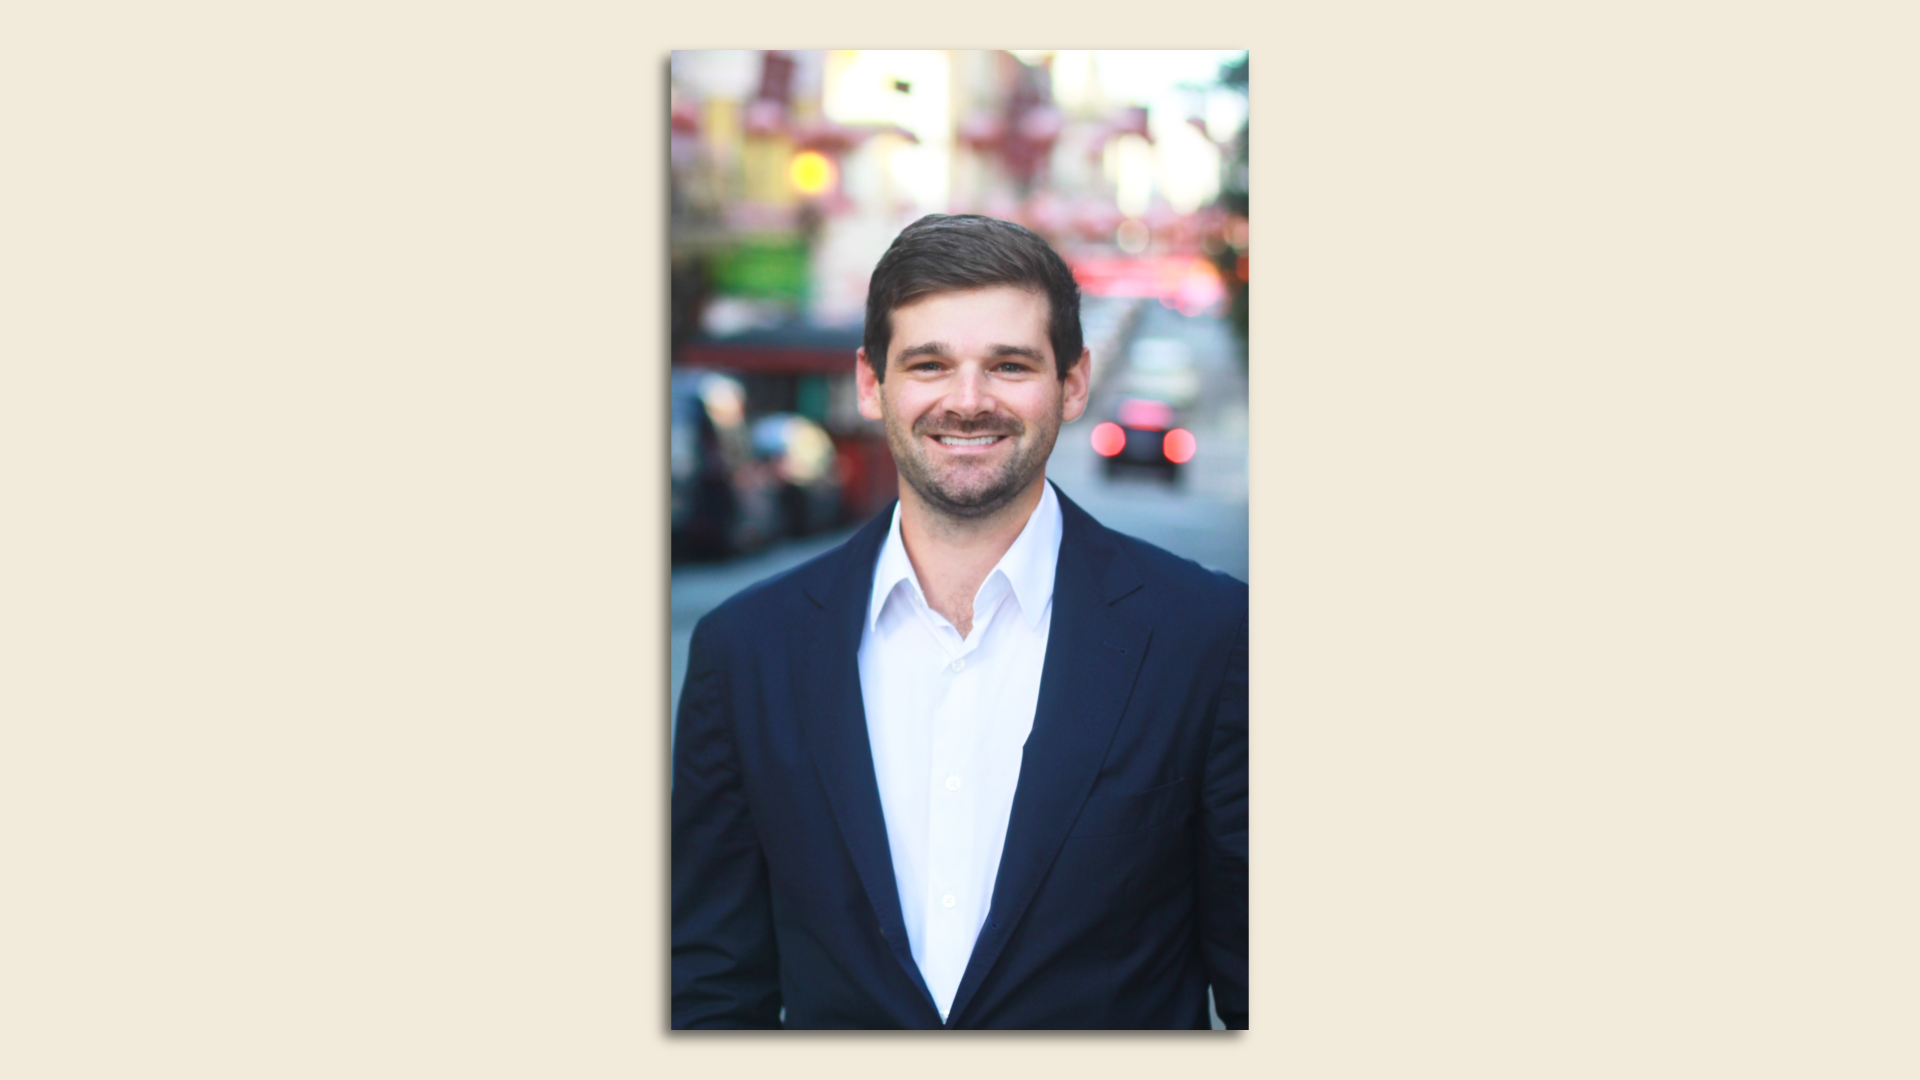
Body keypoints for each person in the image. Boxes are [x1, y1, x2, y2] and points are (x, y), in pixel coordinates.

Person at [671, 214, 1248, 1029]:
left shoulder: (1209, 634)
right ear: (873, 385)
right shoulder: (745, 651)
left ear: (1074, 383)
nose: (968, 401)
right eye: (929, 364)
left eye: (1009, 365)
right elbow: (710, 992)